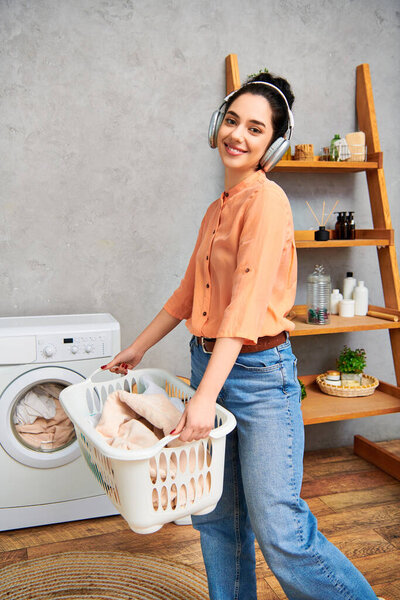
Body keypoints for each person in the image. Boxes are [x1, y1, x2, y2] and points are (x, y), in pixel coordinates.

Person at [102, 72, 381, 600]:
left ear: (271, 145)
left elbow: (248, 306)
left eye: (255, 128)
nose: (238, 135)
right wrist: (136, 348)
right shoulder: (217, 209)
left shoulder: (267, 202)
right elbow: (188, 294)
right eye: (232, 121)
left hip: (260, 377)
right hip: (210, 365)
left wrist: (204, 399)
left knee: (279, 528)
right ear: (217, 125)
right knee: (216, 518)